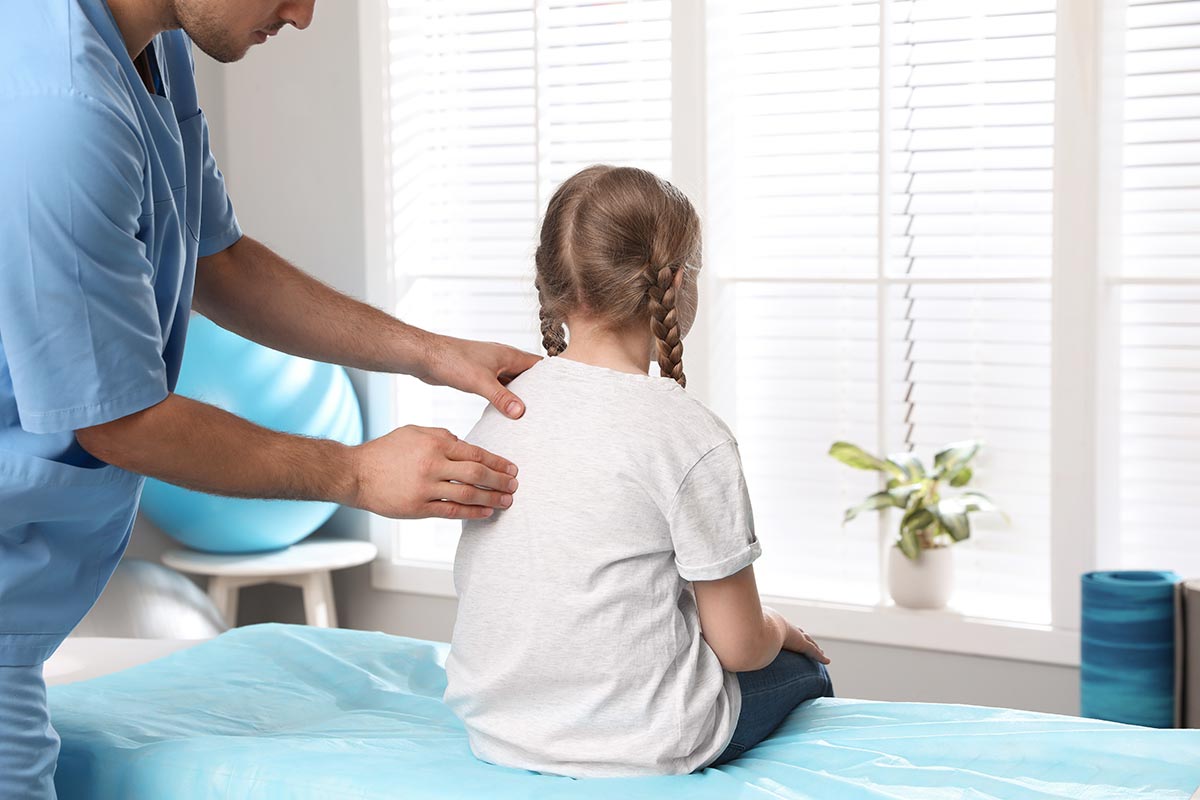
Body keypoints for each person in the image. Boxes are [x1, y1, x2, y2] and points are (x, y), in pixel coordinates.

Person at [0, 1, 538, 796]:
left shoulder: (157, 46)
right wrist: (355, 475)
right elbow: (117, 420)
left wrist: (430, 354)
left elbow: (217, 260)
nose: (304, 13)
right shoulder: (60, 110)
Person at [443, 165, 834, 778]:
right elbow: (738, 644)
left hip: (497, 729)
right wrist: (781, 628)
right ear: (677, 283)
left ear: (553, 287)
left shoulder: (502, 408)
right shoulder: (688, 434)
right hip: (641, 741)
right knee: (805, 670)